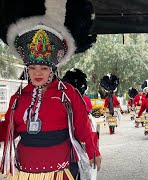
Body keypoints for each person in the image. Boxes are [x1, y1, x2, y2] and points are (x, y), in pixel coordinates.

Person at [0, 1, 101, 179]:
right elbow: (9, 129)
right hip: (25, 170)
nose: (37, 73)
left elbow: (83, 126)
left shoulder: (67, 93)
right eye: (32, 68)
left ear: (52, 69)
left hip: (60, 170)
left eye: (43, 68)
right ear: (27, 70)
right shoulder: (18, 97)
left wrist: (94, 150)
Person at [62, 68, 99, 149]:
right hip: (82, 123)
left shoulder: (62, 98)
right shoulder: (85, 99)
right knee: (92, 128)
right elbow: (88, 109)